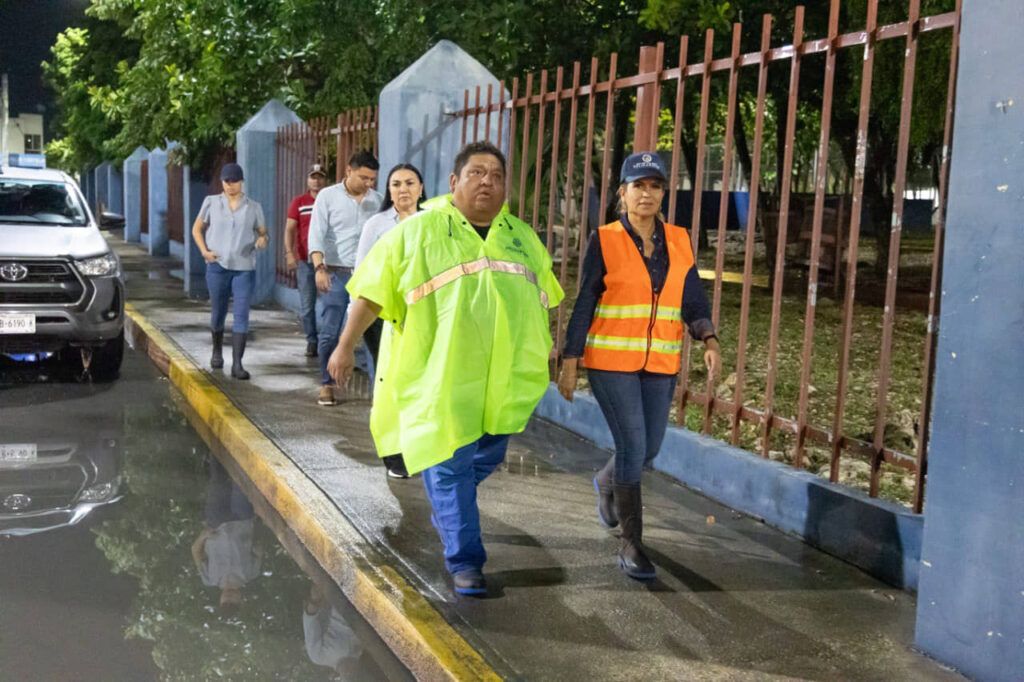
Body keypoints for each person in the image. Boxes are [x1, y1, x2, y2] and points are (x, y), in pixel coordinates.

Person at [327, 142, 564, 596]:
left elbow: (542, 302)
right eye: (476, 173)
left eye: (496, 175)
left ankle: (448, 501)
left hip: (500, 385)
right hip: (437, 380)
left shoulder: (522, 239)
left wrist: (547, 354)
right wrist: (344, 346)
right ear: (454, 181)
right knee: (450, 465)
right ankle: (465, 562)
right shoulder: (416, 232)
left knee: (485, 457)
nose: (487, 181)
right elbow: (372, 292)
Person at [557, 151, 721, 581]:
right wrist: (570, 359)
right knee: (632, 447)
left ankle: (605, 482)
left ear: (663, 193)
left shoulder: (680, 240)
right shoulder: (605, 239)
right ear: (623, 193)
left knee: (649, 448)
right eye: (638, 186)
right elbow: (585, 300)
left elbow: (692, 298)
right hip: (611, 362)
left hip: (660, 361)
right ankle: (632, 544)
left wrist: (708, 336)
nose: (646, 194)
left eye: (655, 186)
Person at [353, 163, 428, 480]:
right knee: (388, 384)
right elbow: (362, 273)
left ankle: (418, 447)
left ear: (421, 188)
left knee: (418, 383)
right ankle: (393, 453)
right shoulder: (376, 225)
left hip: (422, 316)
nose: (403, 189)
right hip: (382, 316)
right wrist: (353, 323)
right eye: (396, 184)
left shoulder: (433, 223)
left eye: (410, 183)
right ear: (389, 190)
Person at [307, 150, 382, 406]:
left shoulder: (378, 201)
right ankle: (327, 384)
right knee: (330, 332)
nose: (368, 183)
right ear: (349, 170)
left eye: (372, 179)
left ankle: (378, 393)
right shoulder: (327, 197)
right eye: (364, 178)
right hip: (335, 273)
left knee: (372, 332)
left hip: (367, 275)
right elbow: (316, 234)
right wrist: (319, 268)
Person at [191, 162, 269, 380]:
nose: (230, 185)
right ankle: (217, 351)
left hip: (244, 268)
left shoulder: (253, 207)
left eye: (234, 181)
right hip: (217, 266)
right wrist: (204, 251)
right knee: (218, 312)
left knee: (241, 313)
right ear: (222, 182)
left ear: (241, 182)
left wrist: (263, 239)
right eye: (226, 181)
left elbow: (263, 233)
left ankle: (237, 364)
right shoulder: (211, 203)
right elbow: (197, 229)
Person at [192, 458, 263, 612]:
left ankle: (216, 449)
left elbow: (195, 552)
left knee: (218, 478)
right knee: (241, 480)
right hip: (242, 520)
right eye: (233, 602)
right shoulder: (252, 574)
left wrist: (203, 536)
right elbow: (258, 550)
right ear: (241, 601)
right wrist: (256, 544)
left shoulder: (209, 579)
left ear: (220, 600)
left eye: (226, 602)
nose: (229, 598)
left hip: (216, 523)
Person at [284, 164, 328, 358]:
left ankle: (328, 341)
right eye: (313, 177)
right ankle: (312, 340)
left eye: (320, 177)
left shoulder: (329, 201)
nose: (316, 181)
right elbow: (290, 229)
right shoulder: (299, 202)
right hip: (305, 261)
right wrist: (289, 253)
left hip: (328, 262)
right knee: (307, 305)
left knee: (331, 304)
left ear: (325, 180)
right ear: (308, 180)